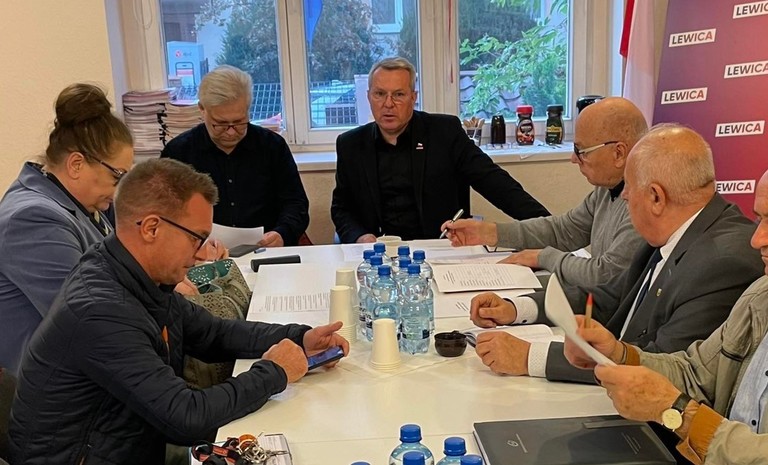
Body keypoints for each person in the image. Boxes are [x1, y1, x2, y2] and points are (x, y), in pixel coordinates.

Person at [8, 158, 349, 464]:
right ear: (151, 228)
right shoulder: (101, 310)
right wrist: (274, 372)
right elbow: (186, 418)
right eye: (195, 237)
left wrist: (300, 337)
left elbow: (213, 333)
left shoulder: (136, 275)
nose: (201, 252)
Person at [467, 124, 763, 383]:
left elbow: (663, 367)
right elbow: (610, 296)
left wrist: (531, 357)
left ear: (656, 197)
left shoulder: (723, 264)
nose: (623, 196)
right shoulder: (675, 229)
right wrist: (517, 309)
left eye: (629, 188)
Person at [563, 169, 768, 463]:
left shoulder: (726, 263)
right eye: (760, 220)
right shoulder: (760, 295)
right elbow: (696, 373)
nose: (757, 240)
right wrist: (619, 355)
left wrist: (678, 413)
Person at [331, 57, 550, 243]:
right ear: (369, 96)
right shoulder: (351, 145)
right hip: (376, 254)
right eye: (380, 94)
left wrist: (549, 229)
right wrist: (360, 237)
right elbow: (342, 208)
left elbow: (496, 184)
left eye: (398, 95)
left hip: (438, 248)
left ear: (413, 97)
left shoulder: (444, 133)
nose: (388, 104)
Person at [443, 97, 647, 290]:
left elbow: (607, 275)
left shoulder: (645, 202)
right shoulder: (606, 189)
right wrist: (488, 232)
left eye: (581, 151)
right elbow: (564, 231)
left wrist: (542, 257)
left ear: (618, 153)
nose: (573, 159)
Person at [0, 83, 134, 375]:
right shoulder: (32, 219)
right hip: (56, 388)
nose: (118, 190)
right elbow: (89, 316)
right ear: (76, 164)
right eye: (117, 176)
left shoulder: (78, 203)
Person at [161, 65, 309, 247]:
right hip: (201, 253)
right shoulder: (178, 153)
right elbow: (165, 213)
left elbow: (296, 203)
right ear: (202, 109)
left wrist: (282, 233)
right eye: (220, 124)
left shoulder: (272, 146)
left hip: (266, 250)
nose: (231, 132)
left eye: (239, 122)